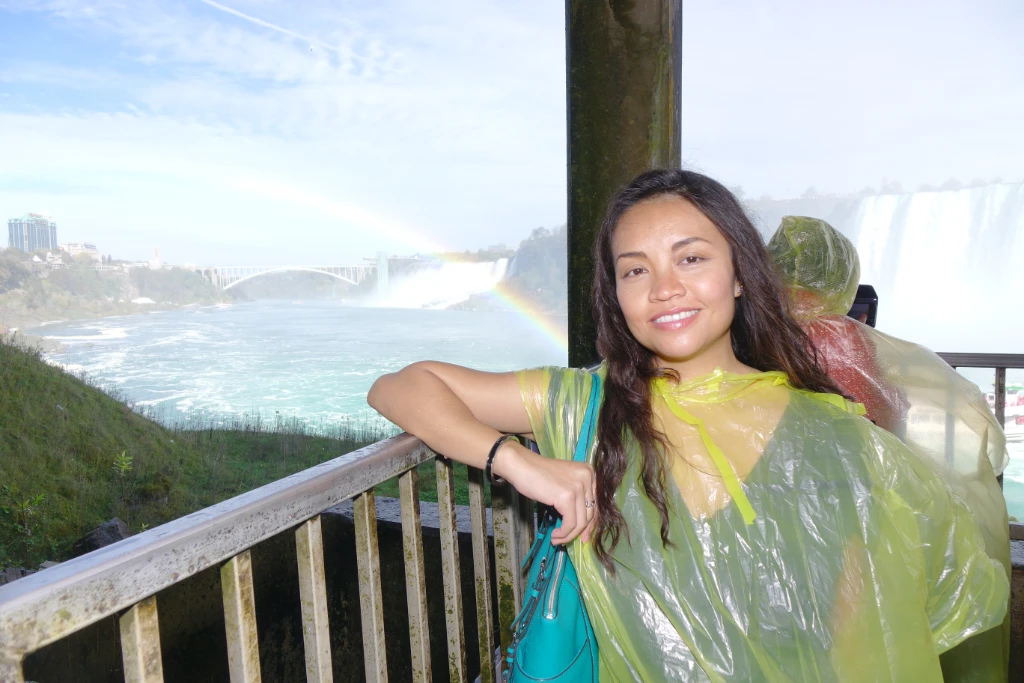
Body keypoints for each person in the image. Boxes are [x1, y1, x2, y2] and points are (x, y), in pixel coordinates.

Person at [368, 169, 1008, 682]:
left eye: (691, 258)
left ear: (738, 277)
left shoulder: (830, 435)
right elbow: (401, 387)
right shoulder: (580, 403)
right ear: (615, 296)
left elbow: (861, 632)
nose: (664, 288)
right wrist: (517, 460)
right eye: (636, 270)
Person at [768, 215, 1012, 682]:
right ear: (841, 274)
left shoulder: (751, 329)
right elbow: (882, 413)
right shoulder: (840, 335)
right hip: (838, 514)